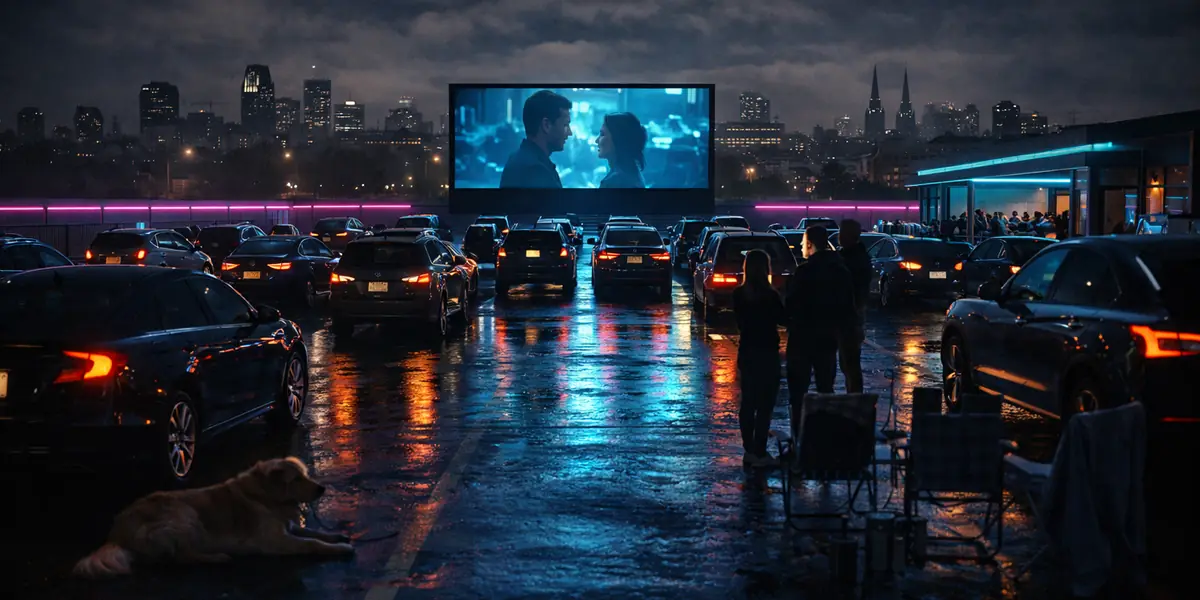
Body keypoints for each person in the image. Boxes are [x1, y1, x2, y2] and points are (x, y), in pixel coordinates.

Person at [785, 226, 856, 400]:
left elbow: (791, 303)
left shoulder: (804, 271)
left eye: (803, 243)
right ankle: (823, 422)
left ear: (809, 244)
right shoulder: (840, 270)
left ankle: (800, 424)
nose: (801, 246)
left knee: (798, 390)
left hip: (802, 336)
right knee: (825, 386)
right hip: (828, 336)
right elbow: (848, 306)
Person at [733, 249, 786, 468]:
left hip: (747, 351)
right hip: (767, 352)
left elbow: (740, 323)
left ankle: (749, 449)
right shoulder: (771, 296)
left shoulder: (739, 295)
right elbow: (783, 319)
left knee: (748, 402)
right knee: (765, 404)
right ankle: (760, 449)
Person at [499, 90, 572, 188]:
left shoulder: (519, 158)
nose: (569, 133)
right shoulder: (536, 171)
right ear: (546, 125)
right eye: (565, 125)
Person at [837, 219, 871, 393]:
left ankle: (855, 398)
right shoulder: (855, 256)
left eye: (842, 233)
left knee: (850, 362)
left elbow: (856, 289)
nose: (839, 236)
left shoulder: (853, 259)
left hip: (850, 316)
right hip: (851, 315)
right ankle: (853, 396)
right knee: (848, 362)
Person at [595, 112, 648, 188]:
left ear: (618, 139)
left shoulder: (615, 182)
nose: (596, 140)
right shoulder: (631, 174)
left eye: (602, 134)